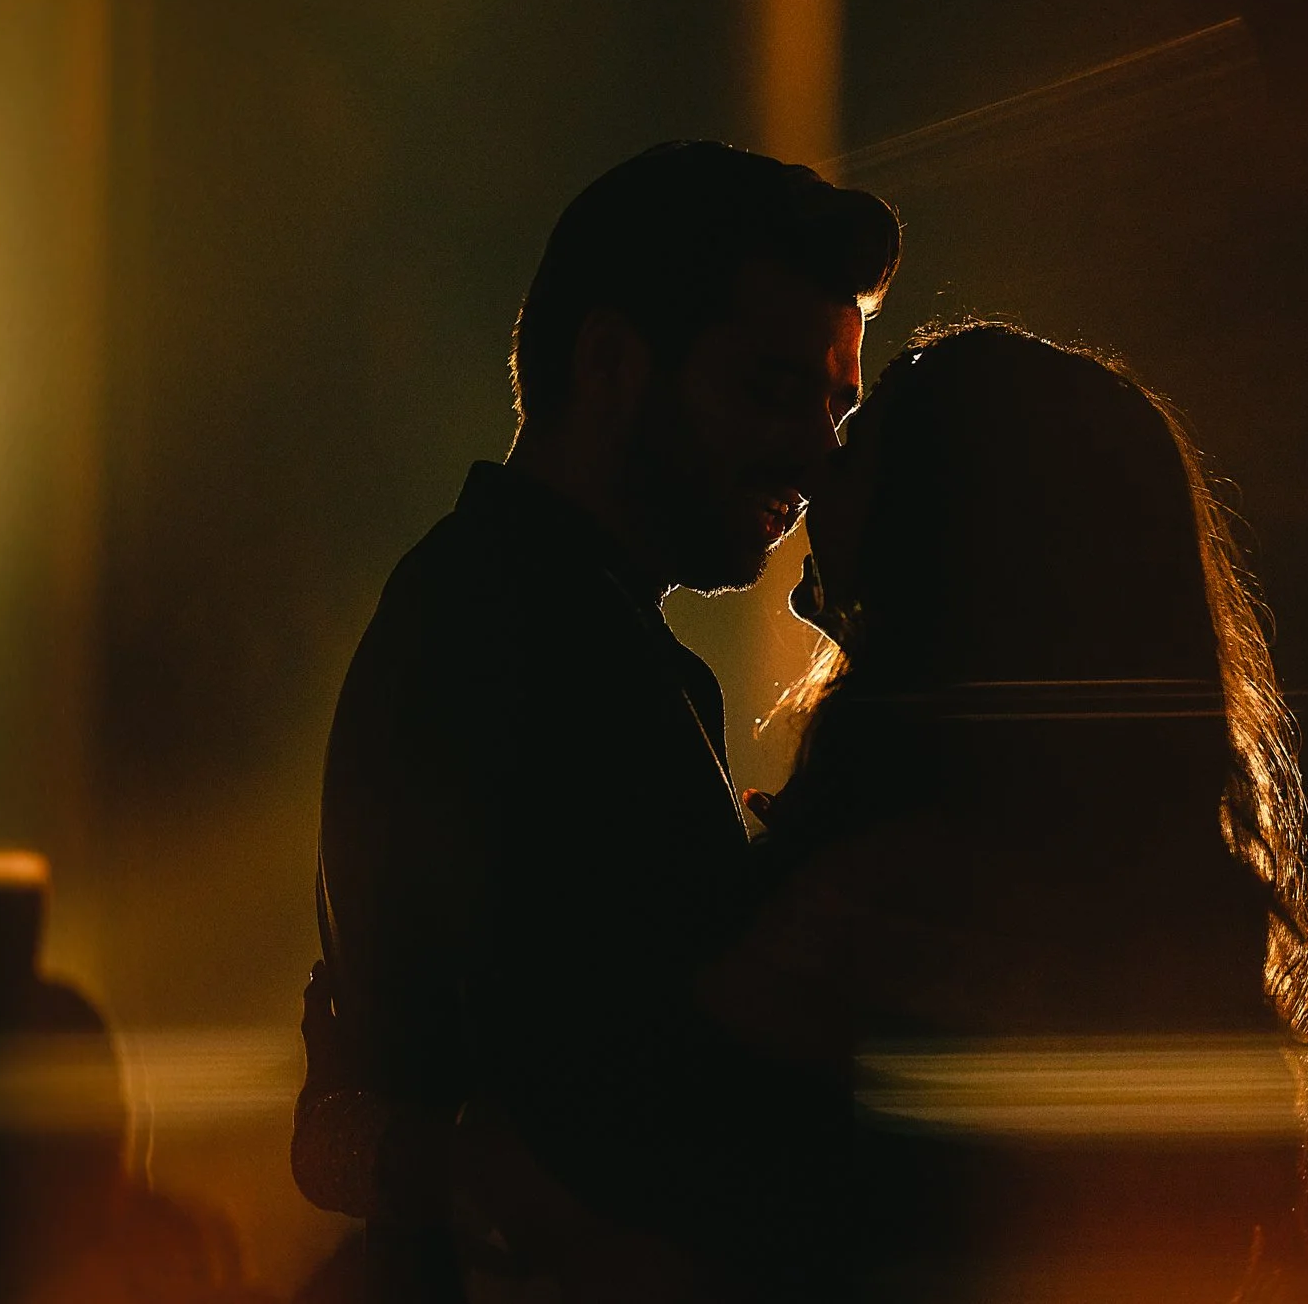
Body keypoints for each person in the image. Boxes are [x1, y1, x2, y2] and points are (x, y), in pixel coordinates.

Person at [294, 142, 901, 1299]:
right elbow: (625, 1131)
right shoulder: (531, 639)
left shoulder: (515, 611)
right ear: (612, 362)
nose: (818, 456)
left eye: (835, 404)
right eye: (769, 390)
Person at [704, 322, 1308, 1300]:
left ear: (939, 524)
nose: (815, 463)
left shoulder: (888, 902)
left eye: (859, 440)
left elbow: (673, 1170)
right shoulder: (1157, 908)